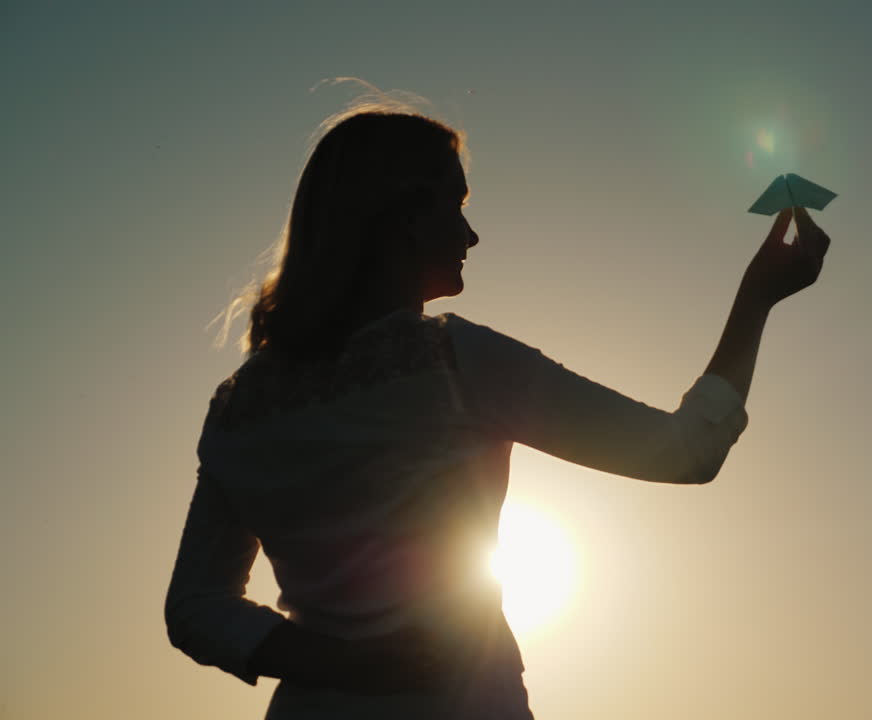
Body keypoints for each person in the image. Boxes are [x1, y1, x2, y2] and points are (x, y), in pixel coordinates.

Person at [164, 105, 831, 719]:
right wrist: (758, 297)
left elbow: (196, 606)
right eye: (453, 205)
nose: (471, 233)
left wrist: (342, 663)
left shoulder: (240, 407)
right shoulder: (454, 365)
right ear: (400, 218)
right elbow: (686, 451)